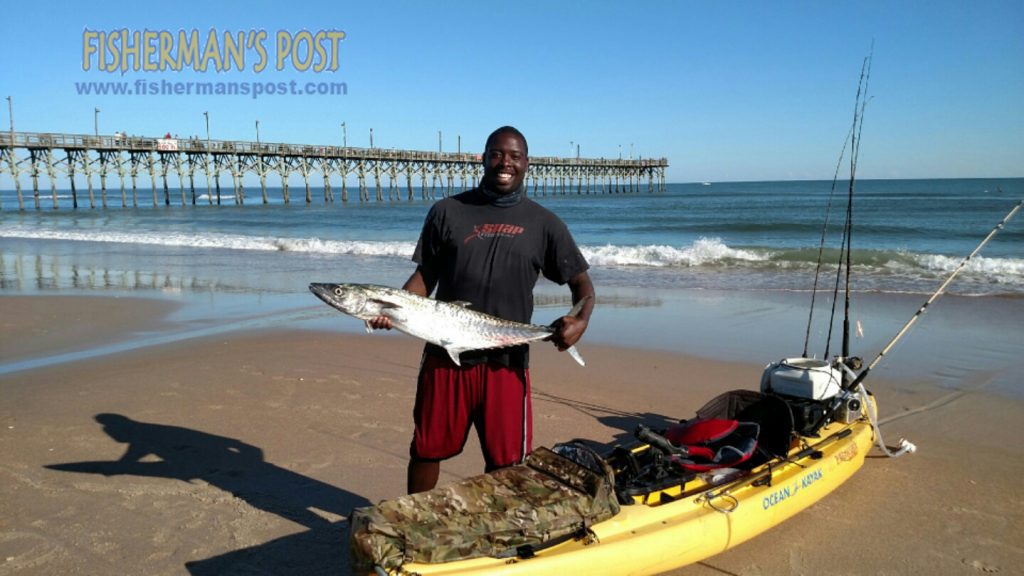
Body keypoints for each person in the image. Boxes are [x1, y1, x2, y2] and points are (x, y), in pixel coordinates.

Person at [370, 126, 595, 494]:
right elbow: (425, 275)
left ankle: (501, 534)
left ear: (527, 163)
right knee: (427, 448)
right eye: (497, 154)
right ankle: (412, 524)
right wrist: (392, 309)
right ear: (484, 157)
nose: (505, 162)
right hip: (444, 353)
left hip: (506, 361)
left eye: (514, 156)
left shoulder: (545, 223)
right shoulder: (447, 211)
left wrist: (580, 320)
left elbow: (583, 285)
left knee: (508, 463)